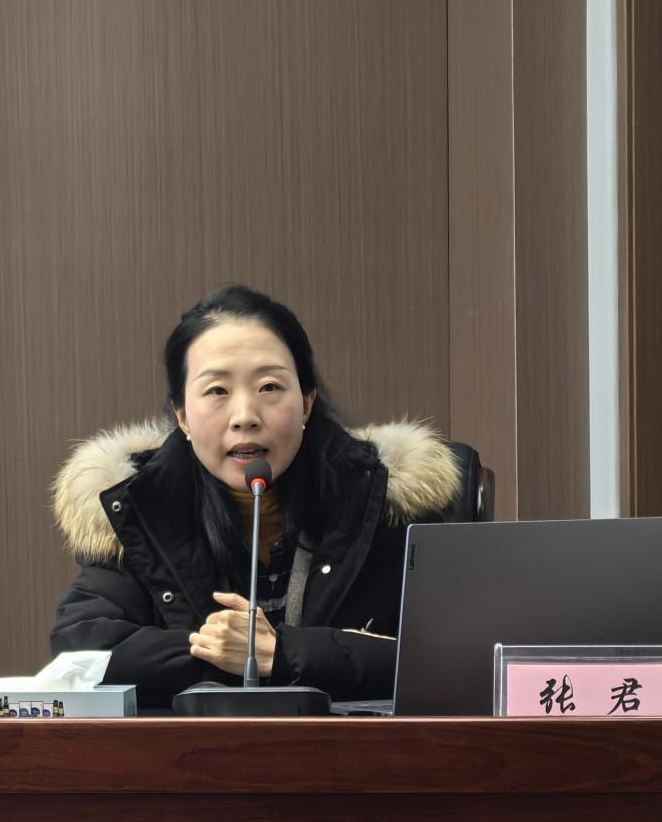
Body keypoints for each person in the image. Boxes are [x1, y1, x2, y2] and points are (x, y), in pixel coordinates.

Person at [50, 285, 461, 707]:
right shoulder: (138, 506)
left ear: (306, 403)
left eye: (269, 386)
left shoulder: (386, 501)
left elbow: (454, 658)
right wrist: (241, 654)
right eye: (217, 391)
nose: (245, 416)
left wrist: (282, 652)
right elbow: (84, 653)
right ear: (182, 414)